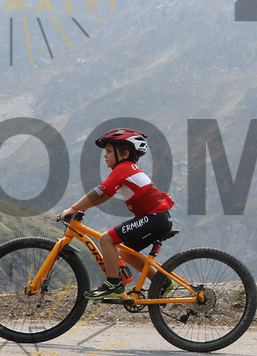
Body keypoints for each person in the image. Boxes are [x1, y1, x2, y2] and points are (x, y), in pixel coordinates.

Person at [59, 128, 175, 299]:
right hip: (158, 218)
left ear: (125, 154)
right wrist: (82, 208)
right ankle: (162, 283)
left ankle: (114, 284)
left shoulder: (124, 168)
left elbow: (99, 191)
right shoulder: (127, 169)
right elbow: (105, 195)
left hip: (155, 218)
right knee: (127, 253)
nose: (104, 156)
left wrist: (74, 208)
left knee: (106, 239)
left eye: (108, 151)